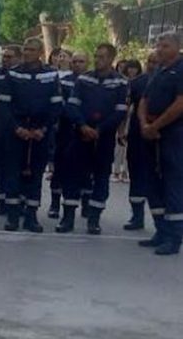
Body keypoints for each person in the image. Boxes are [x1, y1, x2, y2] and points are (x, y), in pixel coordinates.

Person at [56, 44, 128, 235]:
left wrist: (100, 130)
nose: (97, 60)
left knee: (101, 177)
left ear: (111, 59)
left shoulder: (121, 82)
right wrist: (82, 125)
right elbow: (72, 105)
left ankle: (94, 219)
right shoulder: (84, 79)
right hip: (80, 134)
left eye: (102, 57)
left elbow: (120, 111)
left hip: (104, 137)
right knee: (72, 175)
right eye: (96, 56)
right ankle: (67, 218)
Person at [0, 37, 63, 233]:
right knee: (13, 174)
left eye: (32, 50)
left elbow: (56, 106)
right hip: (16, 131)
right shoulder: (13, 74)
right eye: (25, 49)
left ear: (41, 53)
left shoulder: (50, 75)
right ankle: (12, 215)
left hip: (40, 133)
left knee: (35, 175)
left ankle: (31, 216)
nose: (27, 53)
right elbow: (3, 105)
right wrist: (16, 128)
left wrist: (43, 129)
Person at [137, 32, 183, 256]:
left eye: (165, 46)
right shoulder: (158, 71)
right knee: (152, 183)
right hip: (150, 133)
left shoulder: (181, 70)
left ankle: (174, 237)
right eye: (158, 45)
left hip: (173, 134)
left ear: (177, 47)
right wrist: (144, 124)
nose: (159, 49)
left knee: (173, 184)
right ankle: (161, 231)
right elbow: (144, 101)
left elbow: (180, 103)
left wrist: (156, 126)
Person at [49, 51, 88, 219]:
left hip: (86, 130)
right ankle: (55, 204)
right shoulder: (63, 81)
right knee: (60, 167)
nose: (77, 64)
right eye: (75, 61)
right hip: (65, 130)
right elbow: (61, 104)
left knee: (86, 169)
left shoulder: (91, 82)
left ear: (87, 63)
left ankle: (86, 205)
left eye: (81, 61)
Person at [126, 53, 158, 231]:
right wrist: (122, 130)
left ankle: (161, 220)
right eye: (149, 62)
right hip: (137, 134)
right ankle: (137, 216)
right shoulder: (137, 83)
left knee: (157, 177)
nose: (152, 65)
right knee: (136, 173)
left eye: (155, 62)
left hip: (161, 135)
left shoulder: (170, 81)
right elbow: (126, 106)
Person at [0, 45, 22, 217]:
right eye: (4, 56)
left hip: (19, 128)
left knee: (17, 167)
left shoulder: (22, 76)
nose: (5, 60)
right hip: (0, 128)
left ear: (18, 58)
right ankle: (1, 200)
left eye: (9, 57)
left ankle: (17, 201)